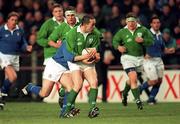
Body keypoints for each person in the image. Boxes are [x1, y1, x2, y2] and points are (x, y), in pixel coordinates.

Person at [22, 40, 94, 117]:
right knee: (44, 93)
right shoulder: (68, 41)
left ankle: (64, 112)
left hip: (65, 68)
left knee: (71, 88)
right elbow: (69, 58)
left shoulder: (84, 42)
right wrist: (84, 58)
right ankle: (30, 87)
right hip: (55, 66)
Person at [62, 15, 101, 118]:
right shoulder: (72, 34)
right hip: (75, 61)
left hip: (88, 60)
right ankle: (67, 110)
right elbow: (70, 55)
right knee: (78, 84)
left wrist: (96, 57)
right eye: (92, 24)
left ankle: (92, 109)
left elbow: (96, 52)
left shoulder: (95, 34)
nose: (94, 26)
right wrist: (83, 58)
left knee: (94, 82)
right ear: (85, 24)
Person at [113, 12, 153, 110]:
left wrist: (143, 41)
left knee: (132, 80)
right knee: (133, 77)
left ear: (136, 21)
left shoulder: (143, 30)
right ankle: (138, 101)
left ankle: (124, 93)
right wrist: (119, 47)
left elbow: (151, 41)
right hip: (127, 58)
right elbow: (115, 41)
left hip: (140, 59)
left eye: (132, 21)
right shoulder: (122, 31)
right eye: (128, 22)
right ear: (126, 22)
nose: (130, 24)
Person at [48, 6, 80, 115]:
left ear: (75, 15)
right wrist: (59, 46)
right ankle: (68, 107)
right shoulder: (62, 27)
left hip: (76, 60)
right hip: (64, 60)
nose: (70, 17)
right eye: (68, 15)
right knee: (72, 86)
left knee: (72, 86)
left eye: (72, 15)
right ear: (65, 17)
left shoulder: (81, 25)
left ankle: (65, 105)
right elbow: (50, 41)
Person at [0, 12, 32, 110]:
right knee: (13, 77)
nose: (14, 22)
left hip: (15, 57)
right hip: (3, 56)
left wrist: (26, 47)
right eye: (12, 20)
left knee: (9, 79)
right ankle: (2, 94)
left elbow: (23, 42)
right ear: (8, 20)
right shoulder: (1, 30)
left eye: (16, 20)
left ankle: (2, 97)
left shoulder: (20, 30)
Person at [139, 16, 174, 105]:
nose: (156, 24)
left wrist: (168, 50)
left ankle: (151, 99)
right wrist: (143, 54)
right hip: (149, 61)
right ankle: (139, 89)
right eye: (154, 23)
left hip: (159, 60)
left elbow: (163, 48)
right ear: (151, 24)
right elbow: (139, 43)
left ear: (160, 24)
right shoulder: (147, 33)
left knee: (159, 81)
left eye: (158, 22)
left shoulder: (159, 35)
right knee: (153, 81)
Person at [36, 3, 65, 107]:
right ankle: (31, 87)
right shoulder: (48, 24)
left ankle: (65, 108)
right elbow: (39, 39)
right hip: (51, 57)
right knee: (45, 93)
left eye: (60, 11)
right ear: (53, 13)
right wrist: (52, 44)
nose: (58, 13)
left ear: (63, 11)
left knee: (69, 83)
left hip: (66, 56)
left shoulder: (68, 22)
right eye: (56, 11)